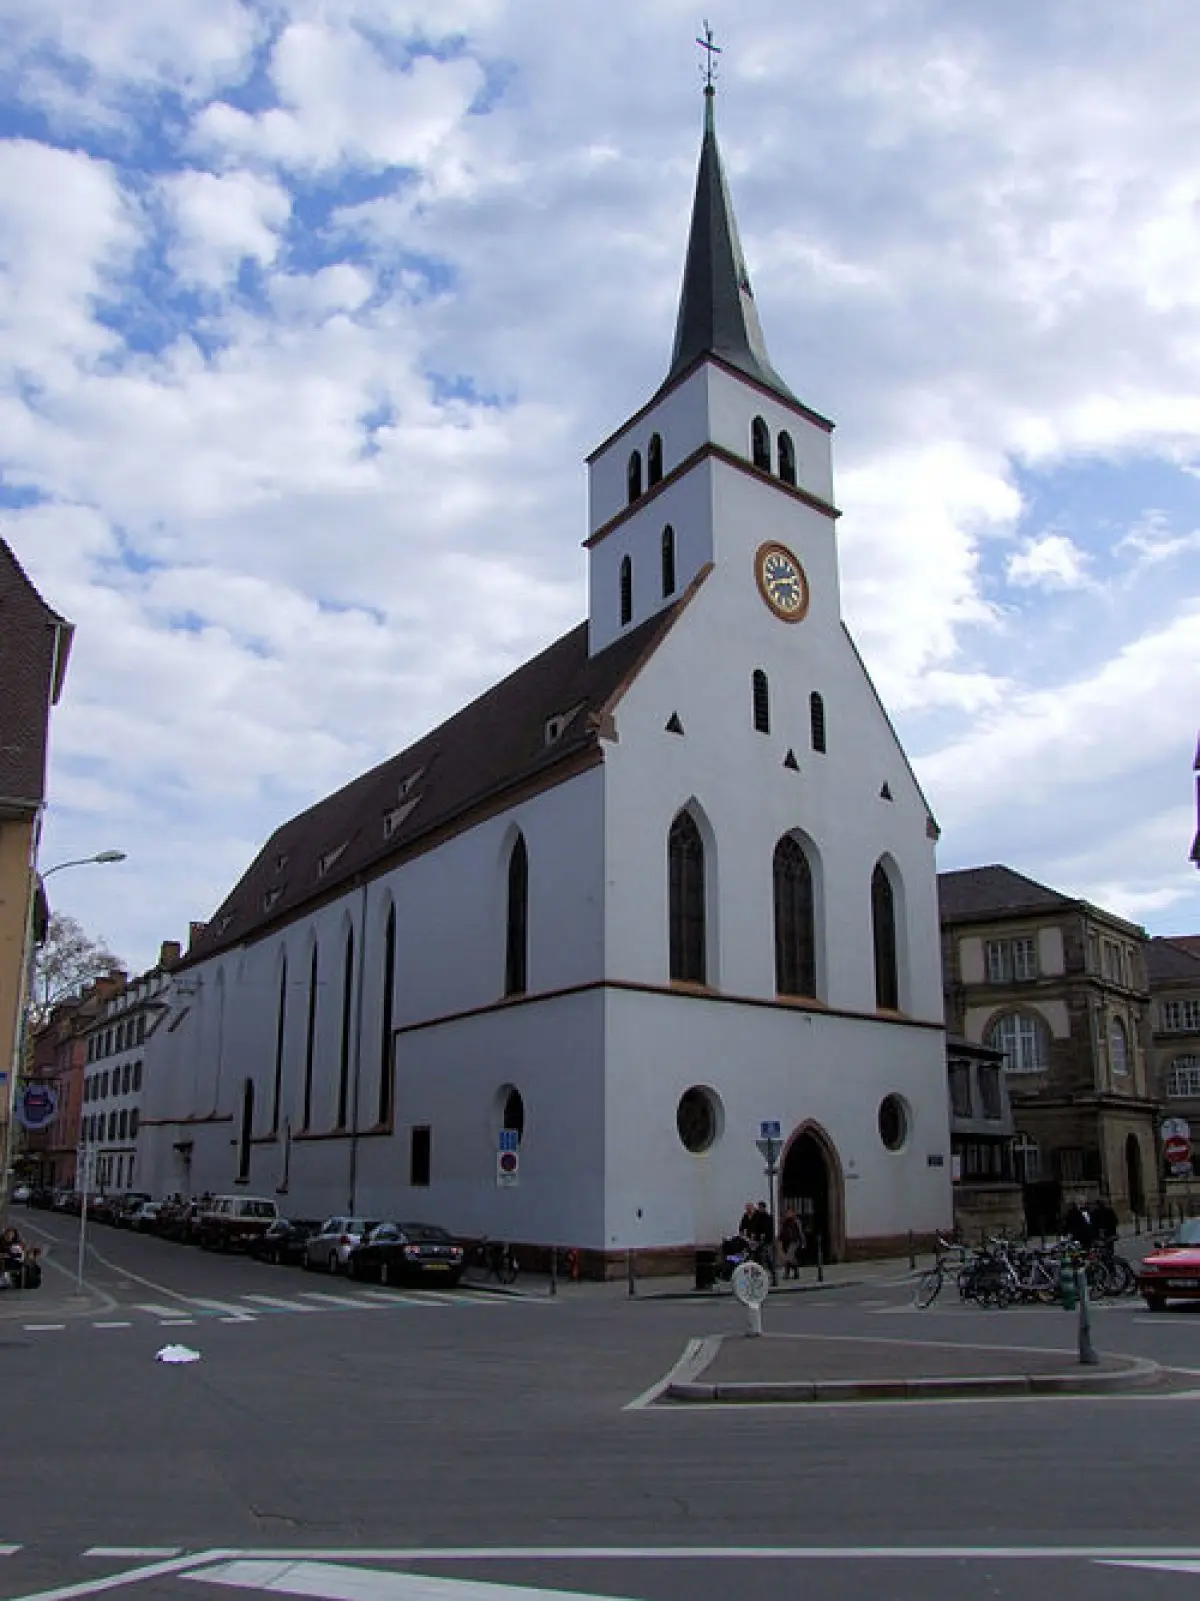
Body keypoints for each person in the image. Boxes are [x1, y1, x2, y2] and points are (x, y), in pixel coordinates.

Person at [780, 1209, 805, 1280]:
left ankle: (787, 1274)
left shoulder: (796, 1221)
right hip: (785, 1241)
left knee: (788, 1257)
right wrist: (780, 1238)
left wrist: (803, 1242)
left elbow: (800, 1232)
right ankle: (795, 1272)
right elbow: (782, 1231)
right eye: (787, 1213)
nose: (788, 1214)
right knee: (791, 1258)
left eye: (789, 1213)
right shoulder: (785, 1222)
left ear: (793, 1213)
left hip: (794, 1241)